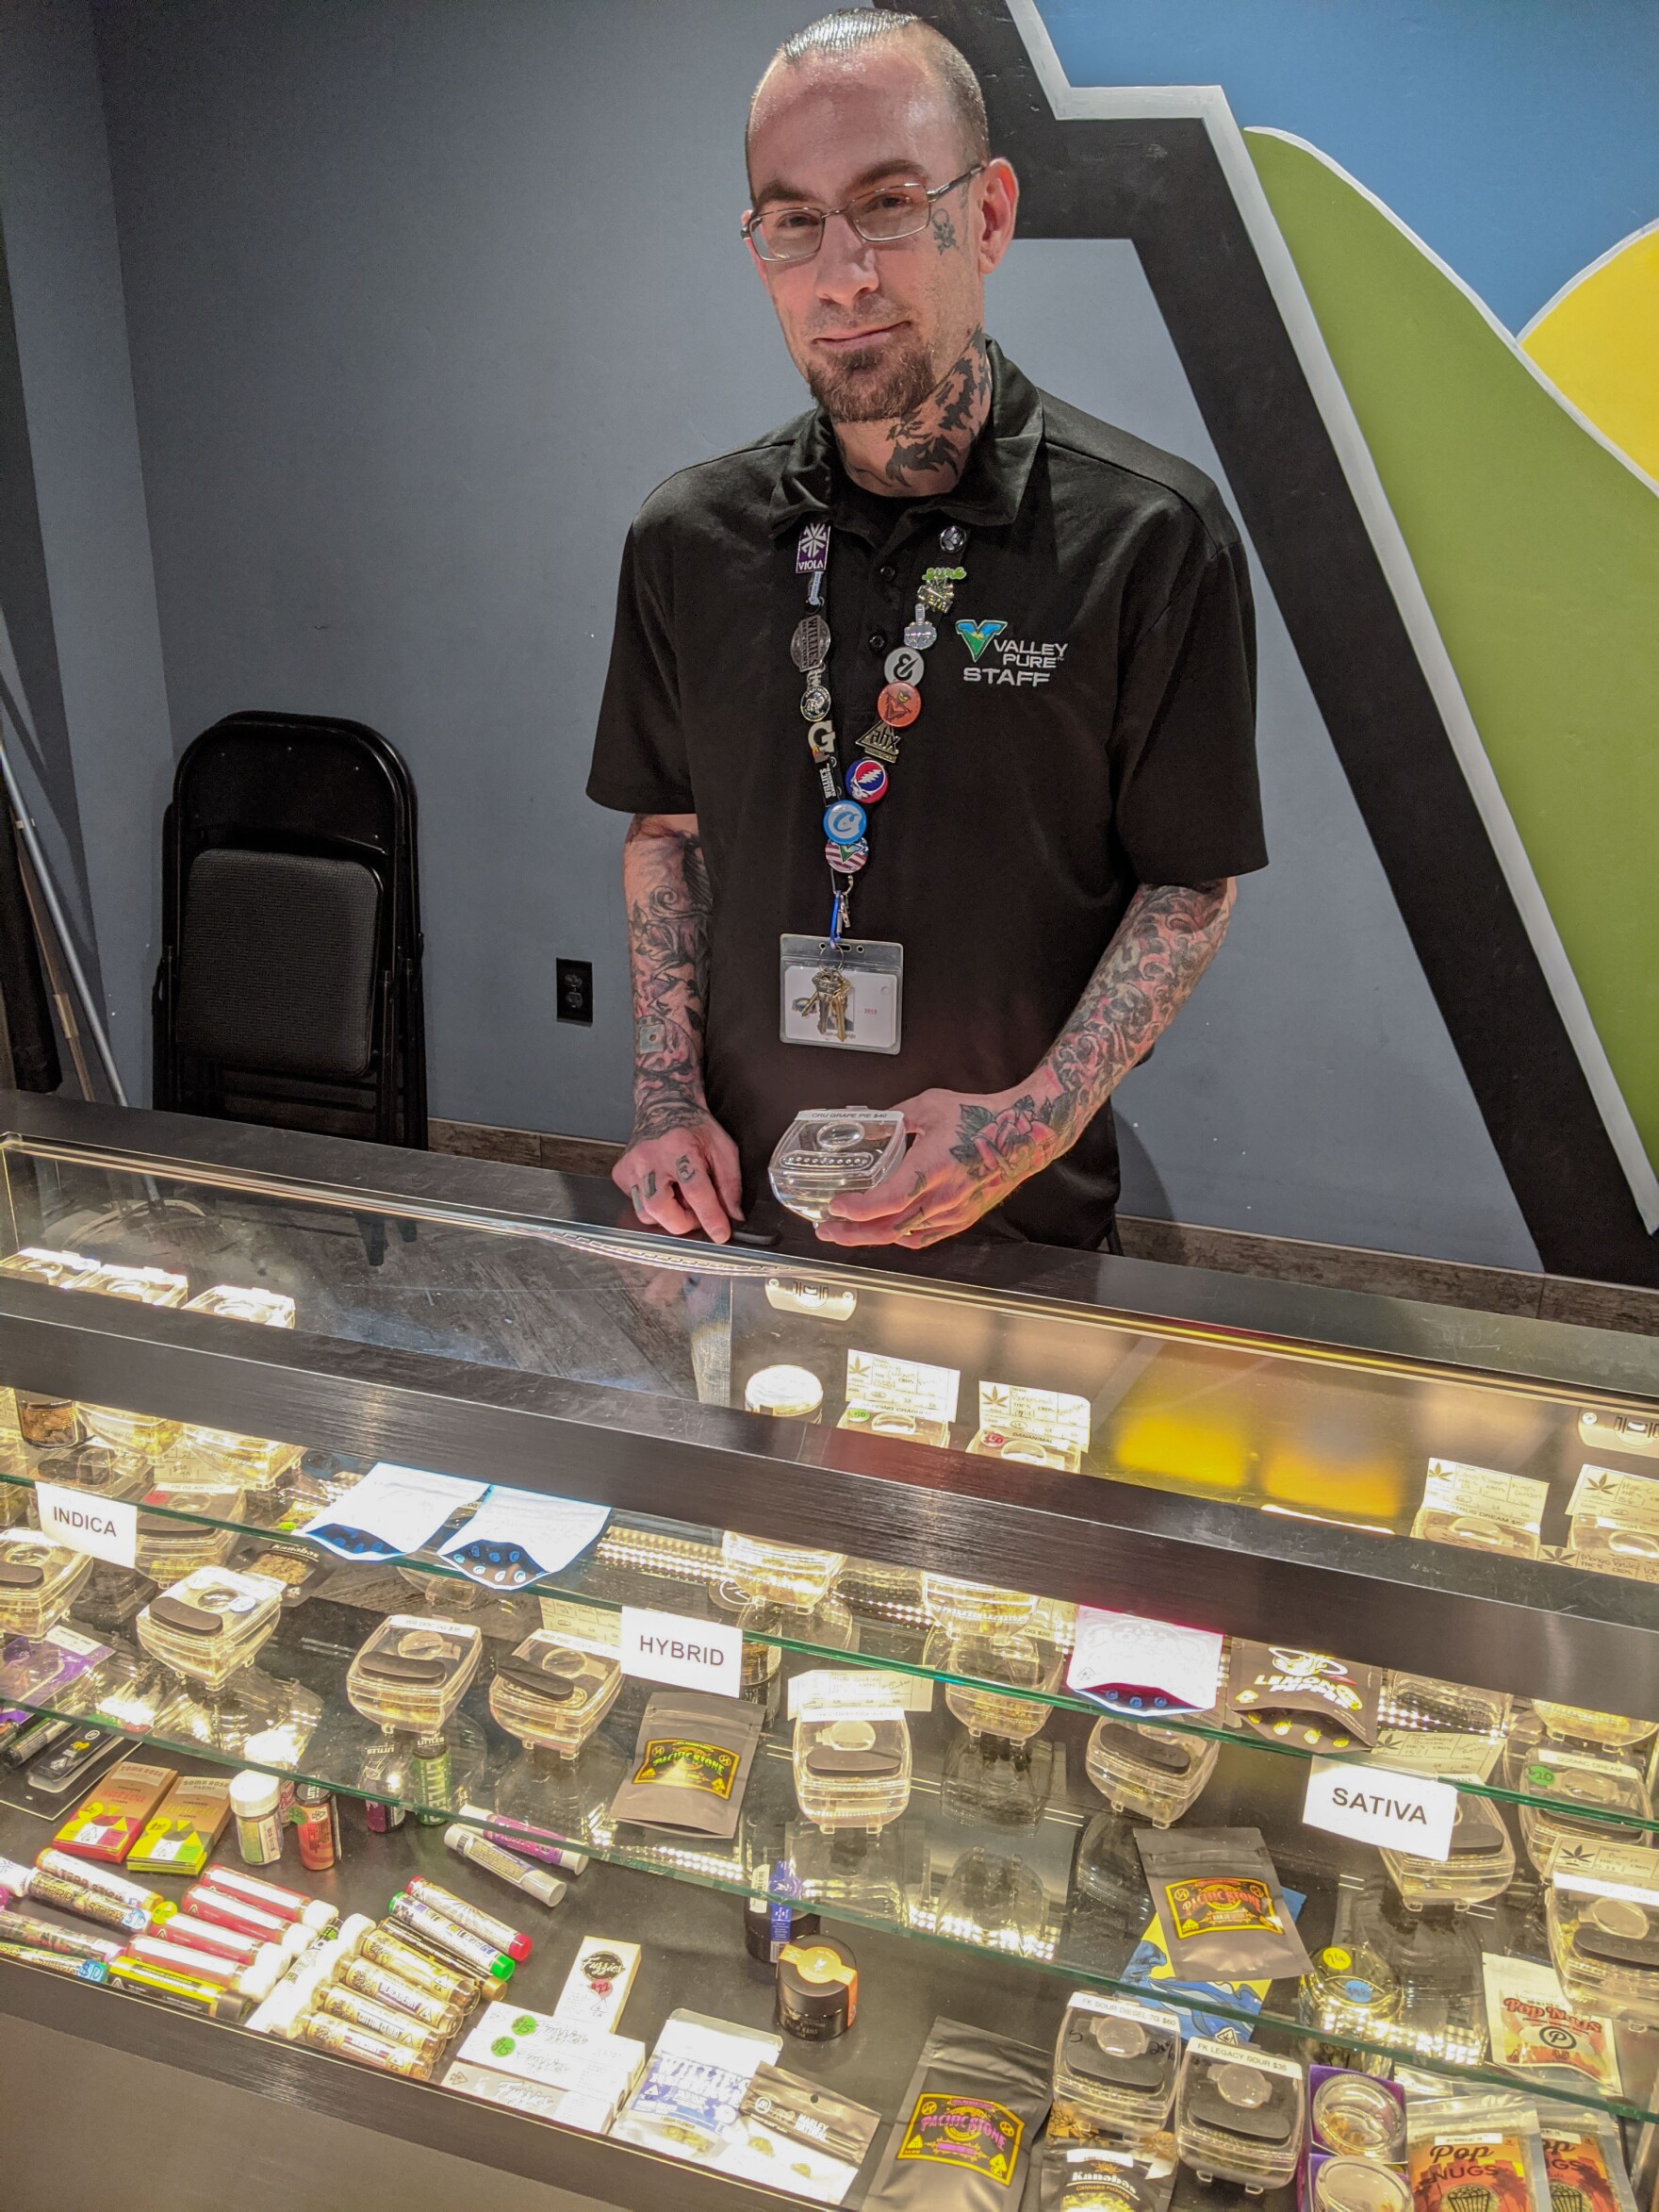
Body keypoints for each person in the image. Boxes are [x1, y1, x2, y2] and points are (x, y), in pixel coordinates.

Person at [587, 10, 1265, 1251]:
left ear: (989, 216)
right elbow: (664, 835)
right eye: (793, 222)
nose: (841, 273)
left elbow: (1189, 882)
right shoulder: (688, 538)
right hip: (735, 1227)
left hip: (1019, 1232)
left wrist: (1033, 1119)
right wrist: (665, 1098)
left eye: (889, 203)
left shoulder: (1153, 537)